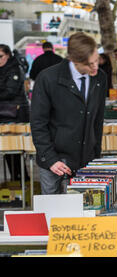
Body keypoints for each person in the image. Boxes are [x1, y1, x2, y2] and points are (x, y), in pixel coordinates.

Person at [31, 32, 107, 195]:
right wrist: (50, 159)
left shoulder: (100, 78)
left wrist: (96, 155)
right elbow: (38, 123)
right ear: (74, 61)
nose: (95, 67)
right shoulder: (47, 79)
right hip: (54, 159)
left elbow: (97, 120)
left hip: (86, 159)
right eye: (89, 64)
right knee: (53, 212)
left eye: (96, 61)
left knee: (83, 212)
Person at [0, 44, 30, 180]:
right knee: (7, 149)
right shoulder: (4, 69)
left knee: (16, 149)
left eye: (0, 56)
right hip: (5, 114)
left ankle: (22, 179)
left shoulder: (15, 68)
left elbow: (10, 91)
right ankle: (15, 179)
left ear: (8, 55)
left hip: (16, 113)